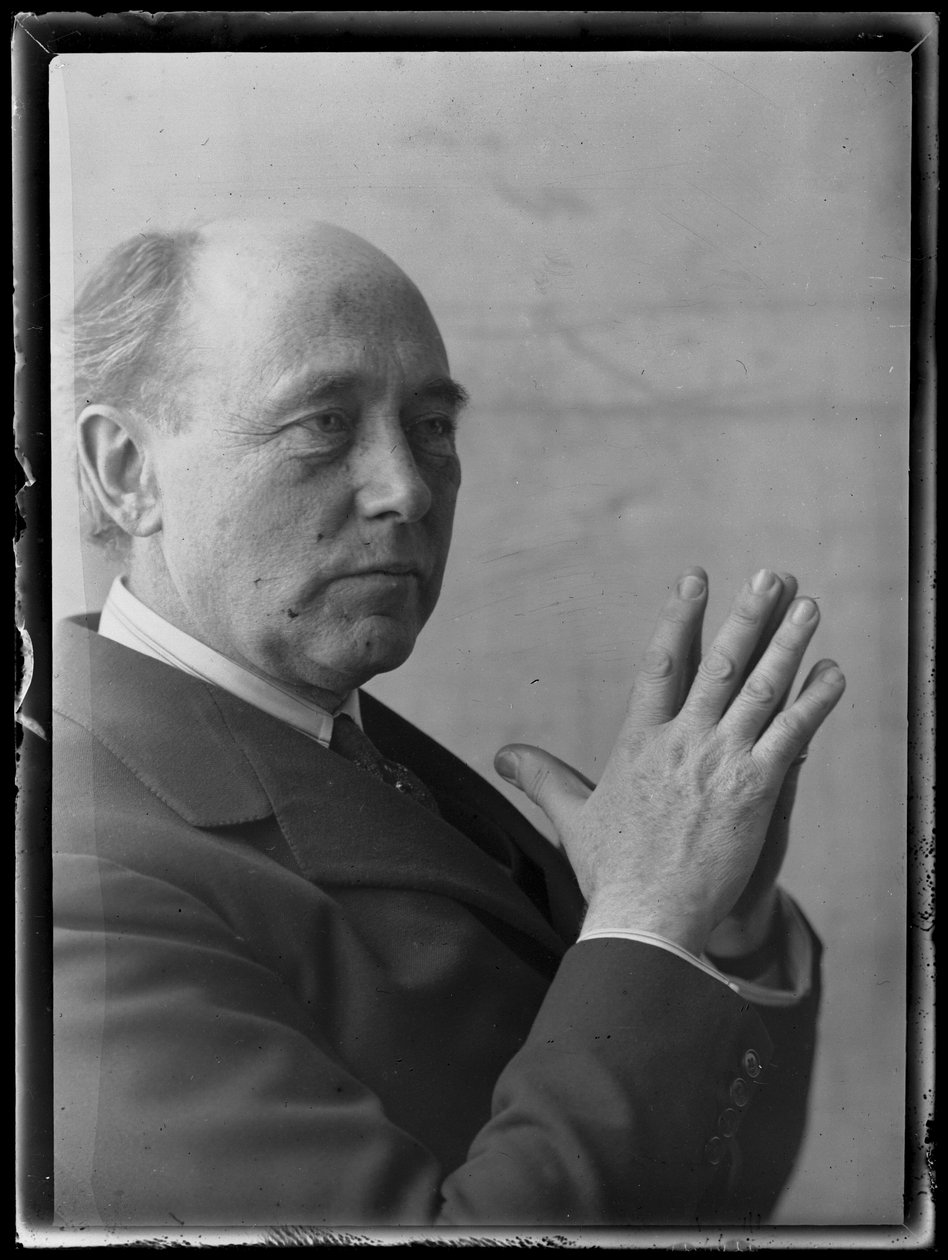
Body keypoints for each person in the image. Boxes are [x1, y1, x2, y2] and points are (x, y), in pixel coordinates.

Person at [53, 217, 846, 1230]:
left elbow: (718, 1202)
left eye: (432, 425)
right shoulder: (70, 886)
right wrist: (649, 924)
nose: (408, 488)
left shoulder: (337, 734)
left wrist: (717, 918)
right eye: (322, 424)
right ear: (126, 471)